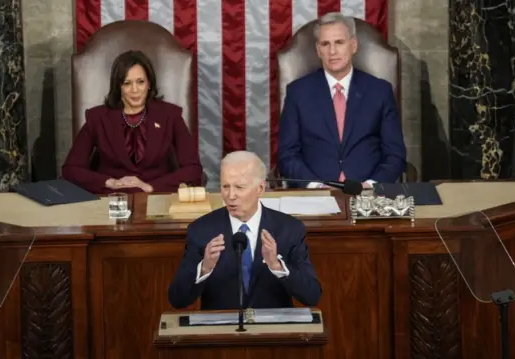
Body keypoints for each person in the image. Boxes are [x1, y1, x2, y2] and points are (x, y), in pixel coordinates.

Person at [168, 151, 322, 310]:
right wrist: (205, 268)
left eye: (239, 187)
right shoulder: (202, 230)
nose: (231, 196)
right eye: (225, 186)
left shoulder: (289, 229)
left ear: (260, 188)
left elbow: (312, 296)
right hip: (222, 331)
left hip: (273, 330)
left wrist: (277, 266)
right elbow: (177, 299)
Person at [277, 12, 406, 189]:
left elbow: (395, 154)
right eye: (325, 44)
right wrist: (316, 186)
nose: (332, 51)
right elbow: (287, 156)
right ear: (318, 50)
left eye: (339, 42)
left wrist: (371, 185)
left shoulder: (380, 91)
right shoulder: (297, 93)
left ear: (353, 46)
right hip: (316, 195)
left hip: (367, 194)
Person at [61, 50, 203, 194]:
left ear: (149, 83)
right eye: (127, 83)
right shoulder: (98, 118)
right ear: (118, 87)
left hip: (157, 196)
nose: (135, 90)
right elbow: (71, 169)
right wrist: (110, 182)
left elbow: (193, 169)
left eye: (140, 82)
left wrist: (150, 186)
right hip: (112, 199)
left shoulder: (170, 116)